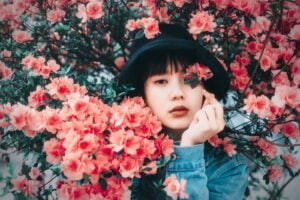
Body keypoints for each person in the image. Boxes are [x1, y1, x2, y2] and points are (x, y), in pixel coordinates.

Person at [119, 23, 249, 200]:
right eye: (161, 81)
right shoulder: (123, 156)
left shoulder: (228, 167)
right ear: (142, 96)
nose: (177, 93)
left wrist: (190, 146)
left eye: (189, 80)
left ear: (206, 91)